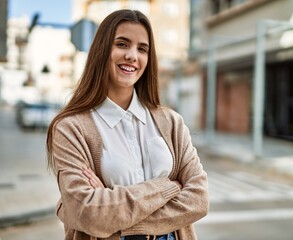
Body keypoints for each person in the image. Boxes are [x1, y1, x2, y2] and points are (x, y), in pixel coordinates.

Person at [46, 9, 208, 240]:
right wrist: (168, 187)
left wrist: (113, 210)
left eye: (142, 49)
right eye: (122, 44)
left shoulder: (171, 122)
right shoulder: (71, 128)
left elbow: (199, 199)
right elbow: (88, 212)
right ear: (102, 51)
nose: (133, 55)